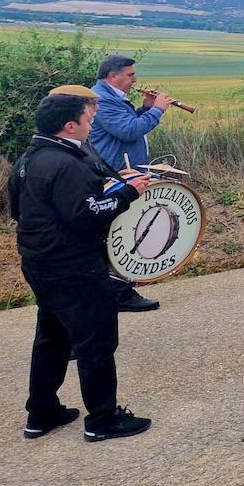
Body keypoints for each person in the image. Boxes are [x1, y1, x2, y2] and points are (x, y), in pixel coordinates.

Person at [11, 92, 154, 442]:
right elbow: (86, 215)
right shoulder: (65, 163)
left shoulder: (29, 159)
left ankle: (41, 413)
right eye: (88, 121)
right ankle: (103, 420)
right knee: (96, 342)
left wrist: (108, 187)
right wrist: (126, 195)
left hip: (38, 262)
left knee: (53, 338)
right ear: (69, 126)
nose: (91, 127)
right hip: (74, 266)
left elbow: (19, 209)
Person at [90, 54, 172, 313]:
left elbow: (130, 125)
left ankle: (119, 289)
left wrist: (146, 108)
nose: (135, 80)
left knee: (123, 230)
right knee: (115, 232)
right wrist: (158, 109)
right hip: (115, 175)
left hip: (125, 171)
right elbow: (128, 131)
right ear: (113, 76)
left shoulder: (113, 97)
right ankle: (118, 293)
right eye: (130, 75)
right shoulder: (103, 99)